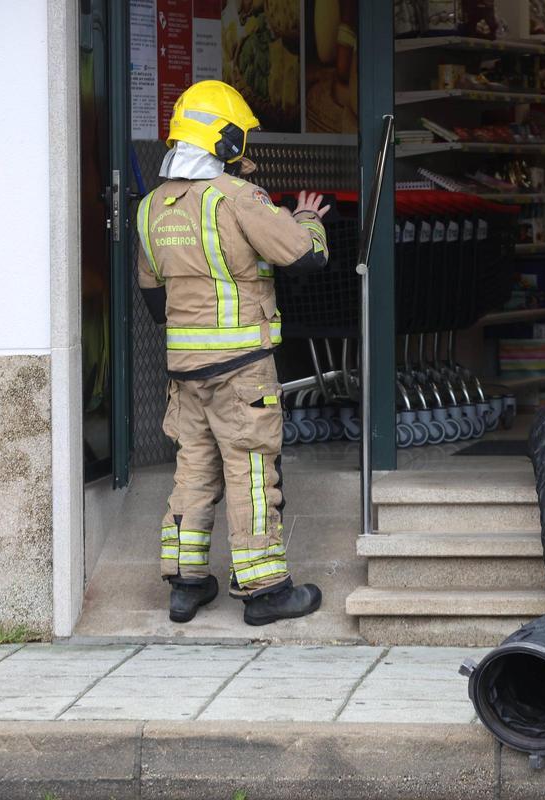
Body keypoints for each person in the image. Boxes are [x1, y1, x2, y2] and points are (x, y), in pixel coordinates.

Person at [135, 80, 329, 626]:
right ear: (223, 140)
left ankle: (185, 584)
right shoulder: (238, 197)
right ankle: (266, 590)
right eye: (240, 139)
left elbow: (154, 300)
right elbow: (304, 257)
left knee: (193, 470)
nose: (245, 150)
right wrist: (308, 218)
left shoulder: (152, 207)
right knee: (249, 470)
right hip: (241, 368)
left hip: (184, 371)